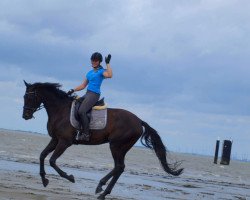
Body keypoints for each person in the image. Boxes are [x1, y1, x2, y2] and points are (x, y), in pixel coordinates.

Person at [67, 52, 112, 141]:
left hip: (94, 94)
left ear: (99, 62)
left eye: (96, 61)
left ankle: (86, 134)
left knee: (82, 111)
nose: (94, 62)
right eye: (93, 60)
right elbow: (83, 85)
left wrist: (108, 64)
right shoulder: (89, 73)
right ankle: (77, 129)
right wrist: (73, 90)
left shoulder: (101, 71)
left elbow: (110, 75)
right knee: (74, 104)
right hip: (87, 93)